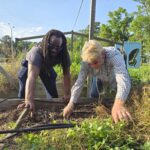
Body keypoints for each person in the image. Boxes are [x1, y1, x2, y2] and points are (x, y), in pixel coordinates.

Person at [63, 40, 132, 123]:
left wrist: (118, 104)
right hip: (99, 77)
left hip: (114, 77)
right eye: (89, 64)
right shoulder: (86, 62)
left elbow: (122, 79)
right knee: (94, 96)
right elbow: (79, 82)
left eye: (95, 62)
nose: (92, 66)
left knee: (123, 97)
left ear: (102, 55)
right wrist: (71, 103)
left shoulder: (114, 55)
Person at [18, 29, 71, 113]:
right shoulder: (36, 52)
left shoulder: (63, 53)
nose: (54, 50)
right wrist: (29, 99)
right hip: (29, 66)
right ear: (46, 43)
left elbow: (67, 74)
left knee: (52, 83)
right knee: (23, 88)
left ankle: (54, 106)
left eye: (57, 48)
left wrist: (67, 94)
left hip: (46, 66)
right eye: (51, 46)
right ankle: (24, 107)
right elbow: (32, 76)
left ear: (61, 47)